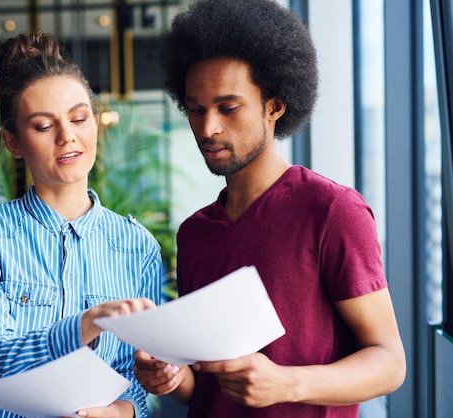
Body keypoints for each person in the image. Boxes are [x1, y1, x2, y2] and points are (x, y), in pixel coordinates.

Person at [133, 0, 406, 417]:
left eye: (228, 108)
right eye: (195, 109)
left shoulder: (332, 211)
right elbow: (201, 387)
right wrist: (170, 377)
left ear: (274, 106)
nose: (208, 128)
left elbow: (390, 363)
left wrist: (287, 382)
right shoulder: (194, 234)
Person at [0, 29, 162, 418]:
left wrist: (120, 412)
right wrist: (86, 323)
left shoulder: (138, 247)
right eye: (44, 127)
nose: (68, 136)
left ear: (95, 123)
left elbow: (137, 378)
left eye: (79, 118)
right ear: (13, 142)